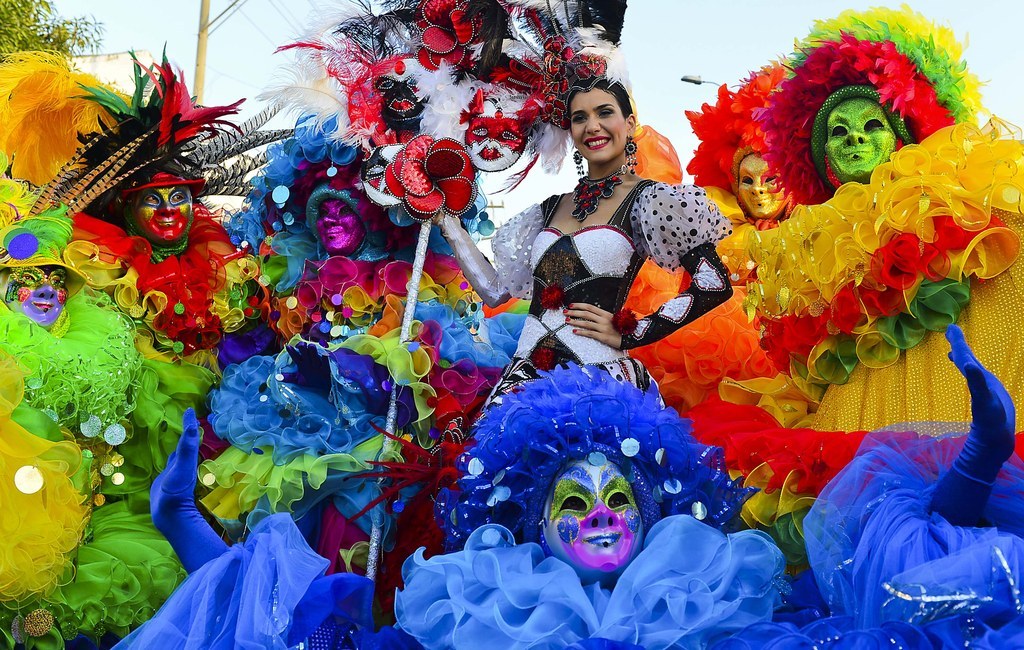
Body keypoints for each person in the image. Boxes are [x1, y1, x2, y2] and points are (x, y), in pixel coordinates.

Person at [741, 7, 1024, 431]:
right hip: (860, 428)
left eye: (873, 124)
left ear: (902, 137)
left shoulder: (966, 197)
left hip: (965, 407)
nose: (855, 137)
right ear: (825, 164)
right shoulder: (809, 249)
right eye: (837, 132)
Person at [438, 67, 733, 402]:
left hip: (598, 385)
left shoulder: (652, 200)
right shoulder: (547, 209)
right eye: (580, 117)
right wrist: (448, 223)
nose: (592, 125)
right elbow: (495, 292)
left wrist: (634, 330)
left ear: (630, 124)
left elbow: (714, 283)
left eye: (604, 112)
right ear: (573, 132)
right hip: (522, 386)